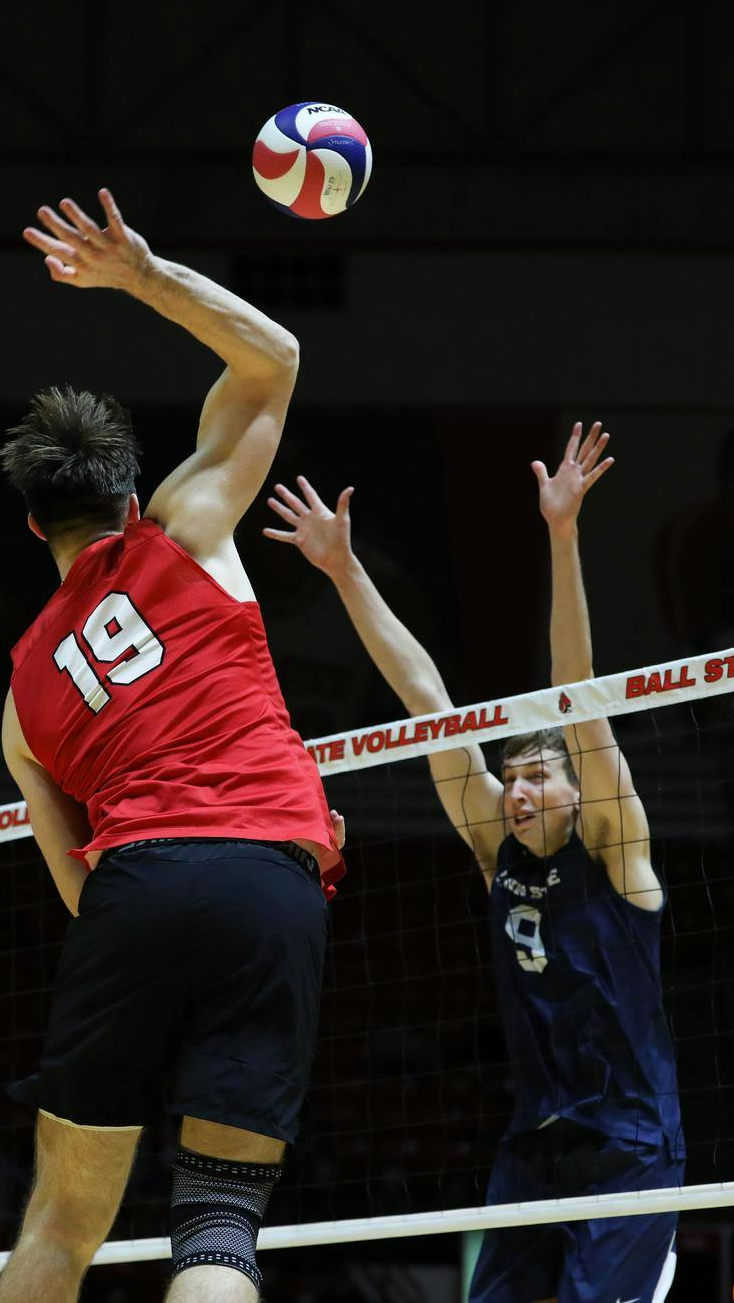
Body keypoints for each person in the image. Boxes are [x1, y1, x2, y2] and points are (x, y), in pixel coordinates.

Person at [0, 188, 345, 1303]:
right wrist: (140, 273)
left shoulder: (18, 697)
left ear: (32, 528)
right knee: (215, 1224)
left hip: (134, 881)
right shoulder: (186, 528)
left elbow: (70, 875)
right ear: (130, 496)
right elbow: (274, 358)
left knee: (59, 1225)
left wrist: (142, 930)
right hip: (268, 876)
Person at [263, 423, 684, 1303]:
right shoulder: (494, 847)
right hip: (533, 1142)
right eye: (513, 778)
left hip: (630, 1144)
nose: (518, 792)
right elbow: (425, 699)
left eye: (537, 776)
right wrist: (345, 570)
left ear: (576, 790)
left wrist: (562, 536)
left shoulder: (613, 845)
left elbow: (579, 686)